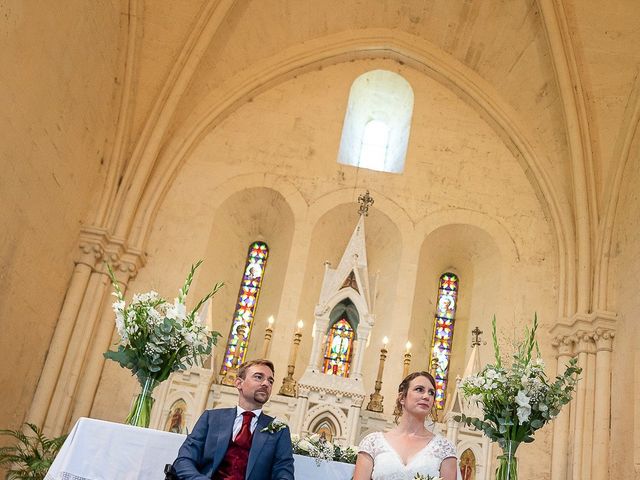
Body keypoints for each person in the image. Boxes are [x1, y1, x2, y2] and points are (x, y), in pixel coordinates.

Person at [172, 359, 295, 480]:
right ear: (238, 383)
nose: (266, 384)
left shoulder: (279, 430)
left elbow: (284, 474)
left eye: (270, 381)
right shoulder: (211, 418)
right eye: (258, 377)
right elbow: (184, 460)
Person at [353, 371, 459, 480]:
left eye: (431, 393)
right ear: (402, 397)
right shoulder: (372, 442)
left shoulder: (445, 448)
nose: (427, 396)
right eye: (419, 389)